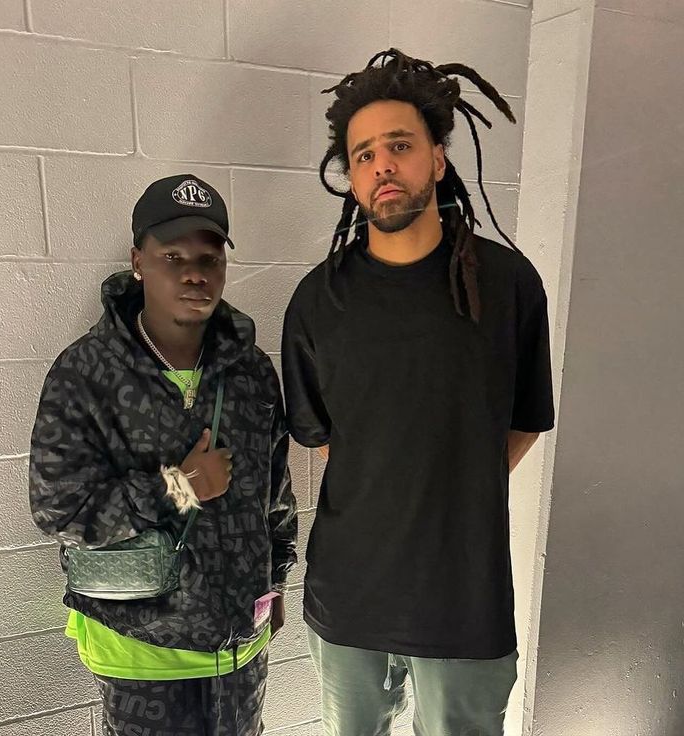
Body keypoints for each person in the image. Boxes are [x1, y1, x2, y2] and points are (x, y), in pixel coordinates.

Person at [281, 49, 555, 736]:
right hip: (349, 601)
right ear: (351, 177)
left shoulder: (508, 287)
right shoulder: (318, 302)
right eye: (364, 154)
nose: (382, 166)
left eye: (398, 146)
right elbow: (326, 441)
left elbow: (523, 421)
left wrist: (450, 487)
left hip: (465, 601)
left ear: (437, 156)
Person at [29, 173, 297, 736]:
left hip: (238, 647)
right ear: (138, 260)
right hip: (138, 650)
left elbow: (277, 495)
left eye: (209, 255)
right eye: (172, 255)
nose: (193, 272)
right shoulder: (85, 372)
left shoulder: (251, 372)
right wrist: (179, 486)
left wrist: (274, 587)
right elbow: (59, 511)